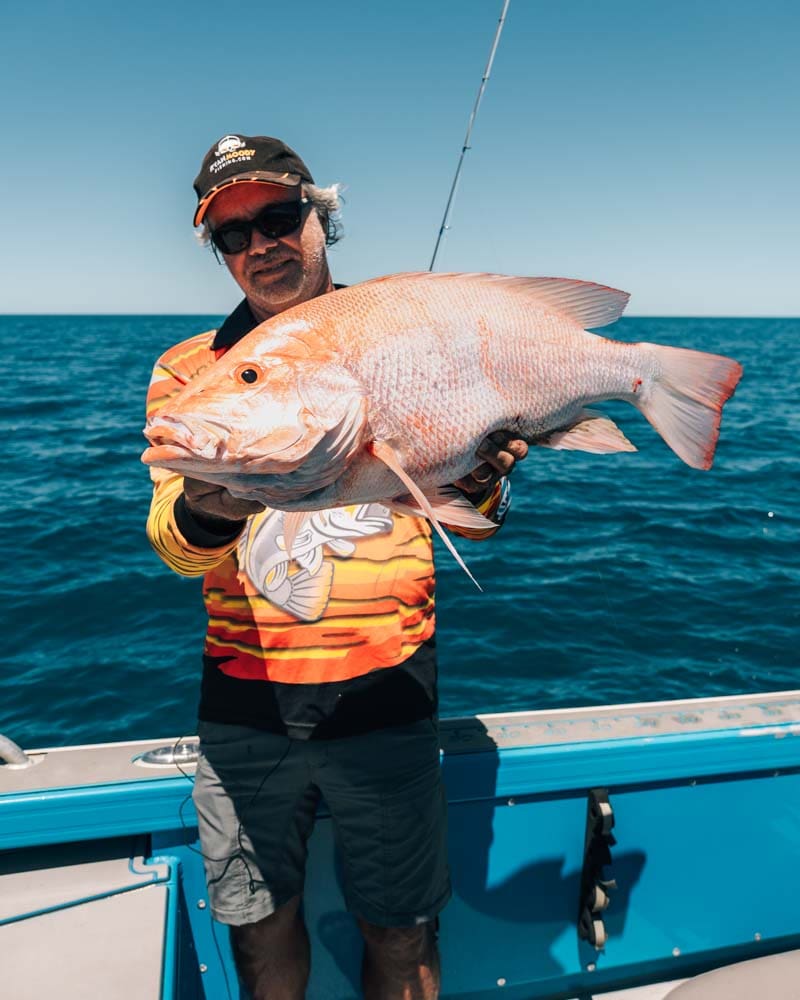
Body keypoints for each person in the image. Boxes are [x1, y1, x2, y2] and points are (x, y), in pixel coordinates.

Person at [145, 134, 528, 1000]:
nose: (260, 246)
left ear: (321, 216)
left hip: (388, 694)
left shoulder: (406, 330)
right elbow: (172, 545)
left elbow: (475, 528)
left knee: (403, 930)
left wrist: (482, 480)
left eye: (278, 217)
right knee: (258, 931)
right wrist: (223, 492)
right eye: (232, 236)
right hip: (245, 707)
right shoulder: (186, 375)